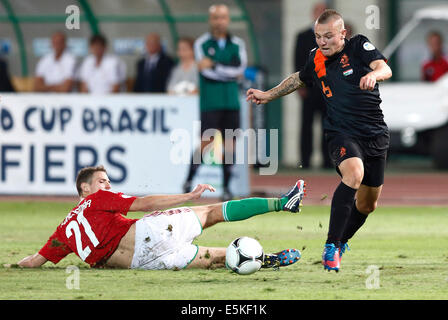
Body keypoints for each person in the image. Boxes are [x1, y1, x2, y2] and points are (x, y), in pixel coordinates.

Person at [247, 9, 392, 272]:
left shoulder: (359, 45)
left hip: (375, 134)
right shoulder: (315, 58)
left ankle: (341, 242)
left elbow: (384, 67)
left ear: (342, 34)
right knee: (354, 173)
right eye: (318, 36)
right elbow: (297, 79)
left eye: (328, 36)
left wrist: (374, 75)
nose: (322, 42)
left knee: (368, 204)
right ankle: (330, 246)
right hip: (341, 133)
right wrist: (268, 95)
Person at [16, 165, 305, 270]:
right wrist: (189, 196)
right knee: (211, 212)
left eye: (107, 182)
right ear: (85, 189)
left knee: (221, 258)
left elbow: (33, 262)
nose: (108, 186)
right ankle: (283, 202)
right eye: (102, 182)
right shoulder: (96, 200)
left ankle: (267, 259)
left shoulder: (63, 231)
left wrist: (12, 265)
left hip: (143, 264)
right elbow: (144, 203)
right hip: (150, 234)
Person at [183, 4, 247, 201]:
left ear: (228, 20)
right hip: (210, 102)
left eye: (223, 17)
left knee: (230, 145)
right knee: (205, 143)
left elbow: (239, 70)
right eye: (216, 17)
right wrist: (227, 71)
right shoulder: (201, 43)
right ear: (211, 20)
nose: (220, 21)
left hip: (231, 103)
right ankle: (188, 181)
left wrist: (216, 65)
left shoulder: (237, 43)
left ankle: (226, 187)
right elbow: (205, 70)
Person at [294, 2, 332, 169]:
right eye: (318, 11)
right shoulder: (302, 36)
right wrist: (299, 86)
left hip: (328, 89)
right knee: (306, 126)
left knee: (328, 126)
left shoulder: (333, 38)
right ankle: (305, 161)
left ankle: (328, 161)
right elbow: (297, 62)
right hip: (308, 87)